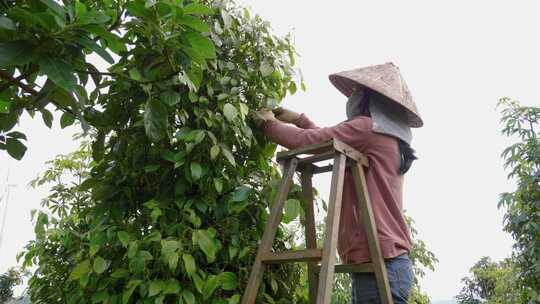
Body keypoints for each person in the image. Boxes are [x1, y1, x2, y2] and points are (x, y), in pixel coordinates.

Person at [253, 62, 424, 304]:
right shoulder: (390, 137)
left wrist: (268, 123)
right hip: (387, 261)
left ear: (368, 99)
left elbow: (308, 141)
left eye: (357, 93)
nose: (352, 98)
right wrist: (300, 119)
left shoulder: (366, 129)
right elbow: (329, 139)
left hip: (380, 263)